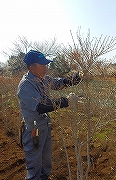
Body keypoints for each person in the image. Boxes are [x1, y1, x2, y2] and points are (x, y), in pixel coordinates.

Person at [17, 50, 81, 180]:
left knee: (46, 162)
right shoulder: (25, 85)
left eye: (46, 64)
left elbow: (60, 83)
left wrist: (77, 77)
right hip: (34, 130)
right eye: (42, 65)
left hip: (44, 126)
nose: (46, 67)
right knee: (34, 163)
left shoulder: (43, 79)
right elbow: (41, 106)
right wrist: (66, 101)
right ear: (32, 68)